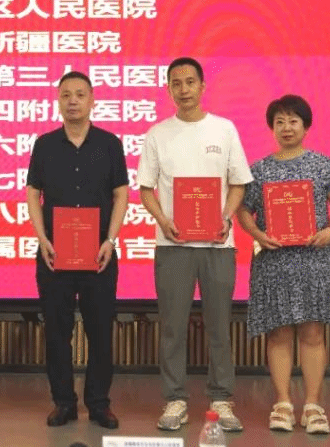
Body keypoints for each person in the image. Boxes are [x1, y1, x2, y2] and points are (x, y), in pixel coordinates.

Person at [138, 57, 253, 432]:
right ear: (169, 89)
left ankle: (222, 398)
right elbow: (146, 188)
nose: (184, 89)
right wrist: (163, 220)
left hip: (218, 245)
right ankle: (175, 399)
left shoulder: (224, 129)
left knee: (219, 325)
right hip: (173, 245)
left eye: (190, 82)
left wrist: (226, 217)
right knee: (173, 326)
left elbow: (238, 182)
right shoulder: (158, 134)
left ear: (203, 87)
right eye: (176, 83)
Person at [236, 94, 330, 435]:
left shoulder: (324, 165)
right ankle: (283, 403)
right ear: (271, 128)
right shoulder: (258, 170)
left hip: (314, 260)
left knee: (313, 333)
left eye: (293, 121)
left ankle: (313, 406)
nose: (286, 127)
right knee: (279, 333)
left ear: (305, 125)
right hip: (273, 261)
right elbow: (244, 210)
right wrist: (256, 233)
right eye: (280, 122)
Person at [26, 71, 129, 429]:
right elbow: (32, 194)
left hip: (99, 254)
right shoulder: (45, 145)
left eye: (80, 94)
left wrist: (110, 240)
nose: (73, 100)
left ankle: (99, 403)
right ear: (58, 101)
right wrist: (42, 239)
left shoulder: (109, 144)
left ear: (92, 100)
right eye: (66, 94)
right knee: (57, 333)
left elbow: (121, 194)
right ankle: (63, 402)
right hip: (54, 254)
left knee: (100, 332)